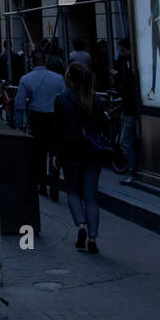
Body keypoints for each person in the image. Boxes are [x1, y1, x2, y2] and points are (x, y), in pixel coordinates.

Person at [53, 62, 108, 254]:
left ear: (69, 78)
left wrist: (56, 155)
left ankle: (81, 226)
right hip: (92, 152)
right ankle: (93, 238)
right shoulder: (97, 100)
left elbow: (58, 131)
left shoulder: (61, 100)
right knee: (91, 197)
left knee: (73, 192)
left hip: (70, 152)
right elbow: (103, 128)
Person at [14, 49, 67, 198]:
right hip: (55, 117)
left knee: (39, 153)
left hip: (37, 118)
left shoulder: (26, 79)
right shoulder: (58, 79)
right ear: (45, 61)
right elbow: (64, 99)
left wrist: (18, 125)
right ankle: (54, 180)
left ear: (32, 61)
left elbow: (19, 104)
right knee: (55, 151)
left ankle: (42, 183)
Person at [113, 38, 138, 180]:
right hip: (131, 108)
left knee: (125, 142)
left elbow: (126, 87)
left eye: (123, 51)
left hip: (131, 109)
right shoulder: (125, 64)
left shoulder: (130, 67)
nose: (121, 54)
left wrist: (117, 79)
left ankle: (133, 172)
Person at [148, 0, 160, 99]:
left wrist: (153, 14)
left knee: (155, 58)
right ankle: (153, 88)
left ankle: (153, 88)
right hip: (155, 25)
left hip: (156, 24)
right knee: (154, 58)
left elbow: (156, 0)